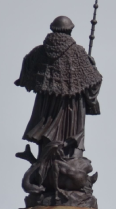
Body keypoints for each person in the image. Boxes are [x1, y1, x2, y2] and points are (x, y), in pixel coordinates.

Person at [15, 16, 102, 161]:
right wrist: (92, 65)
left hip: (45, 107)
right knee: (69, 142)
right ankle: (68, 160)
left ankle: (43, 162)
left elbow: (26, 68)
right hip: (70, 108)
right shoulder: (77, 53)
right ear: (70, 30)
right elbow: (94, 80)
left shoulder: (39, 52)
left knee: (46, 142)